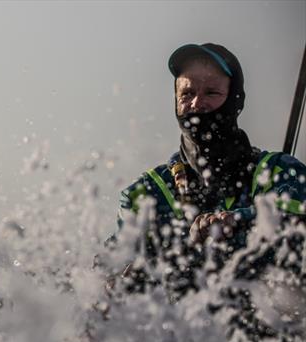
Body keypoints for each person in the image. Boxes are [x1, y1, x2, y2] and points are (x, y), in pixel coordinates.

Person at [116, 43, 305, 273]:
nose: (197, 103)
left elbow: (296, 224)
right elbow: (107, 265)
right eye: (187, 94)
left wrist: (236, 221)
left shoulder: (280, 172)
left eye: (211, 92)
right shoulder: (144, 194)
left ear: (236, 100)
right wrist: (114, 281)